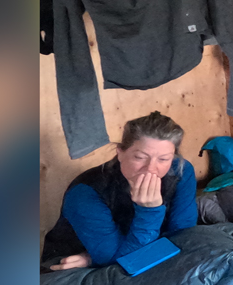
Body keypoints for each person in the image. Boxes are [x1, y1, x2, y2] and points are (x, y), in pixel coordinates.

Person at [42, 111, 198, 270]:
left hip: (115, 258)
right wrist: (149, 211)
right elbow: (121, 262)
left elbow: (184, 236)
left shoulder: (181, 172)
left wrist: (91, 258)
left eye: (163, 159)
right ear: (120, 153)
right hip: (72, 267)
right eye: (140, 157)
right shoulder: (85, 192)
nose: (151, 169)